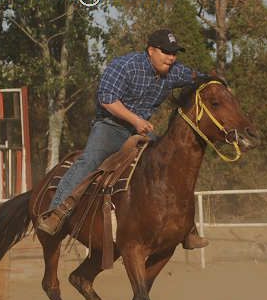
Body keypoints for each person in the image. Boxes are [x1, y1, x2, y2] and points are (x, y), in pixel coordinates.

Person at [36, 29, 209, 249]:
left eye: (174, 53)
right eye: (166, 52)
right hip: (110, 127)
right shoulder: (125, 66)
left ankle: (187, 228)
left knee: (170, 164)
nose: (171, 58)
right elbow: (107, 99)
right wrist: (136, 121)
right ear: (151, 51)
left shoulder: (174, 72)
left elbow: (197, 76)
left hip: (140, 132)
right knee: (89, 161)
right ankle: (56, 213)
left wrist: (216, 82)